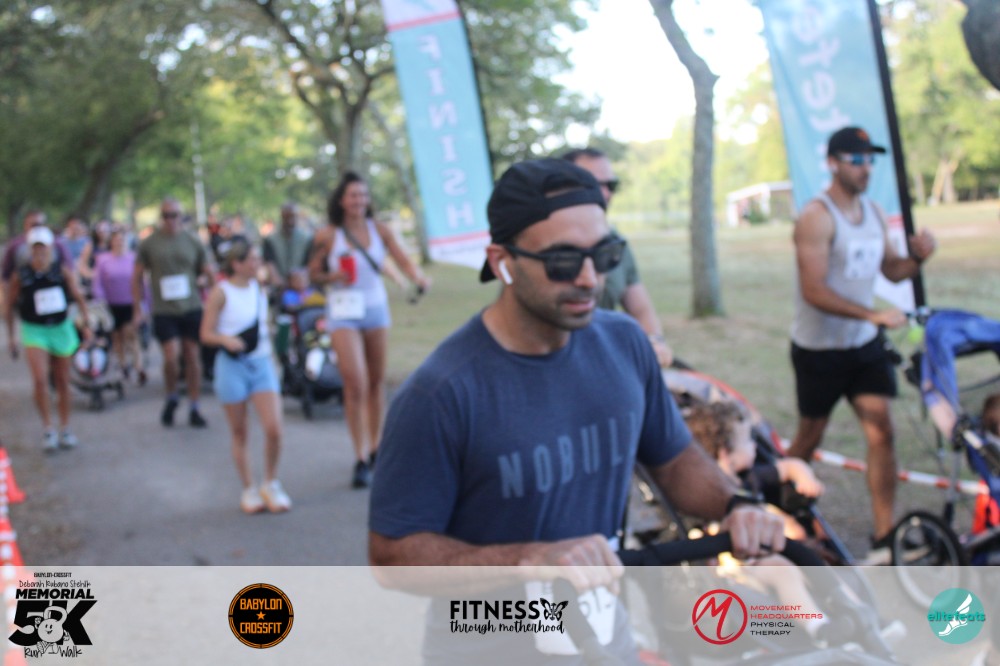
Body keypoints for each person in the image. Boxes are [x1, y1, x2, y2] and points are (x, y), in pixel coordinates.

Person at [368, 158, 783, 664]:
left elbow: (674, 461)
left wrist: (736, 505)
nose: (590, 278)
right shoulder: (441, 394)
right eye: (562, 261)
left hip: (604, 635)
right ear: (502, 261)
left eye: (603, 255)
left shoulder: (625, 344)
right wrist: (531, 560)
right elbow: (392, 558)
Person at [786, 126, 937, 561]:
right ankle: (780, 509)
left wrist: (918, 256)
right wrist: (872, 314)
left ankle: (885, 536)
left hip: (863, 347)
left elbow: (892, 270)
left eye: (870, 159)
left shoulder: (873, 211)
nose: (865, 168)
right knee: (809, 439)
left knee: (882, 431)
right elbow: (813, 290)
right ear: (833, 163)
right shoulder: (816, 217)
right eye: (856, 160)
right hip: (819, 350)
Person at [308, 171, 431, 489]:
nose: (359, 200)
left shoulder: (380, 230)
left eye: (363, 195)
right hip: (343, 312)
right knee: (356, 382)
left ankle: (376, 448)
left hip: (375, 309)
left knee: (376, 382)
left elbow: (403, 260)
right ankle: (359, 455)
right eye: (353, 195)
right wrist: (332, 276)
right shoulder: (328, 235)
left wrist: (417, 277)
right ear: (341, 200)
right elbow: (313, 273)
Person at [200, 237, 291, 514]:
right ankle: (249, 488)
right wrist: (225, 340)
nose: (257, 264)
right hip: (232, 365)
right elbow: (206, 333)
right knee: (240, 431)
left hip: (260, 362)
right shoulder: (221, 292)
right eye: (252, 259)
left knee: (274, 428)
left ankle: (270, 482)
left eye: (257, 259)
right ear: (237, 264)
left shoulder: (259, 289)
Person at [562, 147, 673, 367]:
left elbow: (640, 309)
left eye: (610, 185)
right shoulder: (539, 244)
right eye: (593, 184)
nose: (605, 194)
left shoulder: (616, 243)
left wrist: (655, 341)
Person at [4, 227, 92, 452]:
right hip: (35, 330)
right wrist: (12, 336)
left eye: (43, 248)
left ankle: (65, 427)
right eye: (36, 248)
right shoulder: (21, 275)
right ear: (30, 250)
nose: (40, 253)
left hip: (60, 328)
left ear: (50, 249)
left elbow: (78, 296)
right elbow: (9, 305)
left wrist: (87, 324)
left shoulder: (61, 271)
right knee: (41, 380)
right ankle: (48, 428)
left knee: (62, 381)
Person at [684, 400, 824, 540]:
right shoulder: (704, 496)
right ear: (725, 454)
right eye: (747, 440)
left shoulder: (750, 476)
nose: (754, 445)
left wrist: (806, 479)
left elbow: (790, 466)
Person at [133, 197, 215, 428]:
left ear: (181, 216)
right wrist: (138, 307)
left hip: (191, 307)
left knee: (192, 357)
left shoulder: (192, 241)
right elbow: (137, 276)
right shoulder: (149, 243)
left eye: (174, 215)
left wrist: (210, 292)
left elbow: (208, 272)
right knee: (171, 356)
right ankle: (172, 396)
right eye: (166, 215)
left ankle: (195, 405)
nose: (170, 220)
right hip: (164, 310)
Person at [93, 224, 146, 385]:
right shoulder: (103, 260)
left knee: (131, 334)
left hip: (130, 303)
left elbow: (142, 281)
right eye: (116, 240)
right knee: (117, 337)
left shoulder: (133, 258)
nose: (119, 242)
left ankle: (138, 366)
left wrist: (144, 303)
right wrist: (100, 300)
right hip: (111, 304)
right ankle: (123, 365)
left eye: (122, 239)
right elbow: (98, 282)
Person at [1, 210, 73, 289]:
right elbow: (6, 275)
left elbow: (70, 269)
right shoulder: (15, 246)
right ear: (25, 225)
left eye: (40, 225)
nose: (37, 228)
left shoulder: (58, 244)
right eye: (34, 225)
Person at [263, 202, 313, 290]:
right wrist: (280, 284)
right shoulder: (270, 240)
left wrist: (300, 282)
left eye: (292, 216)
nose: (290, 221)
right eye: (286, 217)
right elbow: (270, 265)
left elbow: (308, 265)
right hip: (278, 286)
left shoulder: (306, 239)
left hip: (301, 286)